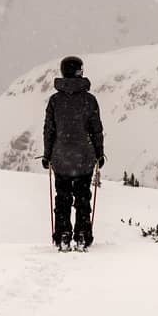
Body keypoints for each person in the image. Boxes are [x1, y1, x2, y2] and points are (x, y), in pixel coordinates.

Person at [42, 55, 105, 251]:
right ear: (79, 71)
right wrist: (99, 154)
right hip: (84, 158)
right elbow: (96, 130)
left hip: (60, 158)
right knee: (82, 198)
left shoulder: (55, 100)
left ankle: (63, 234)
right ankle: (82, 234)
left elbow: (49, 130)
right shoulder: (89, 100)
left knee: (62, 198)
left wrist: (47, 155)